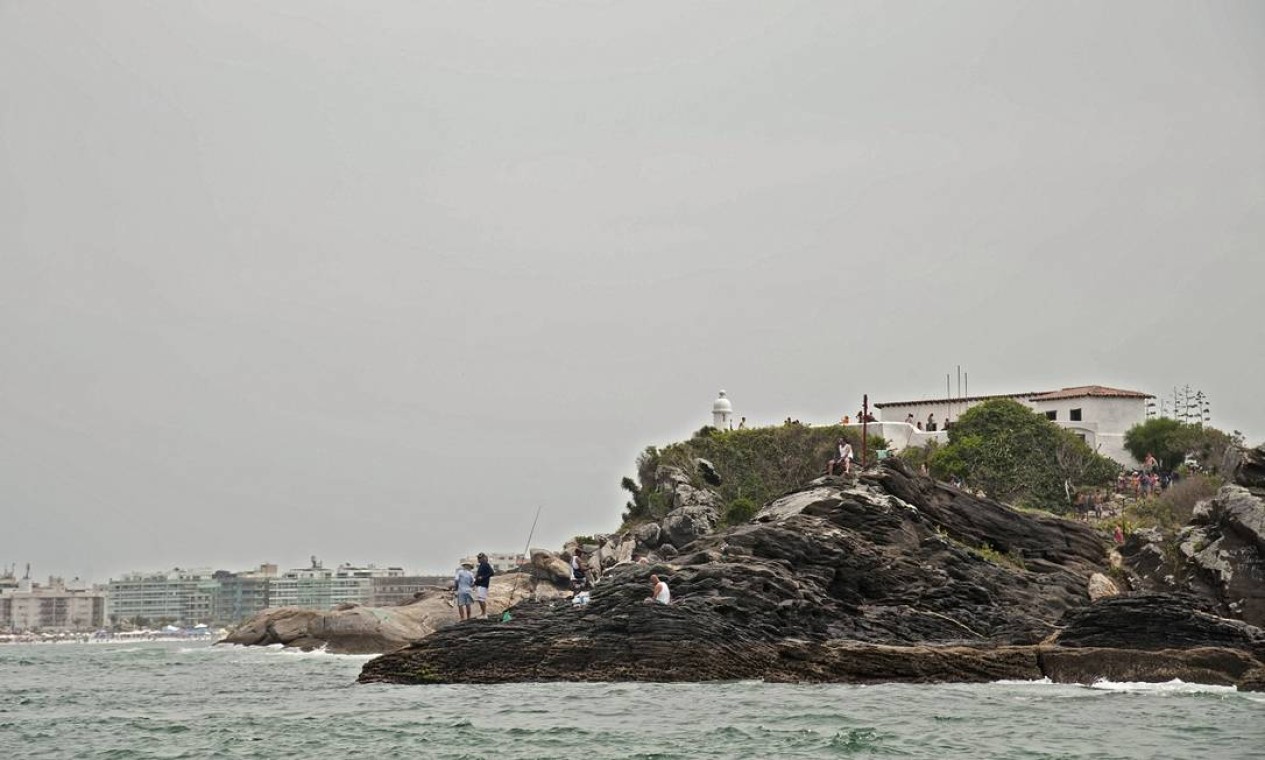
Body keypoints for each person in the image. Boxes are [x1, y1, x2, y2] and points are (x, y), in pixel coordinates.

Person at [474, 552, 494, 618]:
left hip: (483, 584)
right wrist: (475, 582)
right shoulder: (481, 565)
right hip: (480, 584)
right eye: (478, 558)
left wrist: (483, 577)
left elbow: (492, 573)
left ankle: (484, 614)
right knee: (480, 599)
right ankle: (483, 613)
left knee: (482, 599)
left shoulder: (486, 564)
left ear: (483, 558)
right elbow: (478, 575)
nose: (478, 559)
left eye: (479, 558)